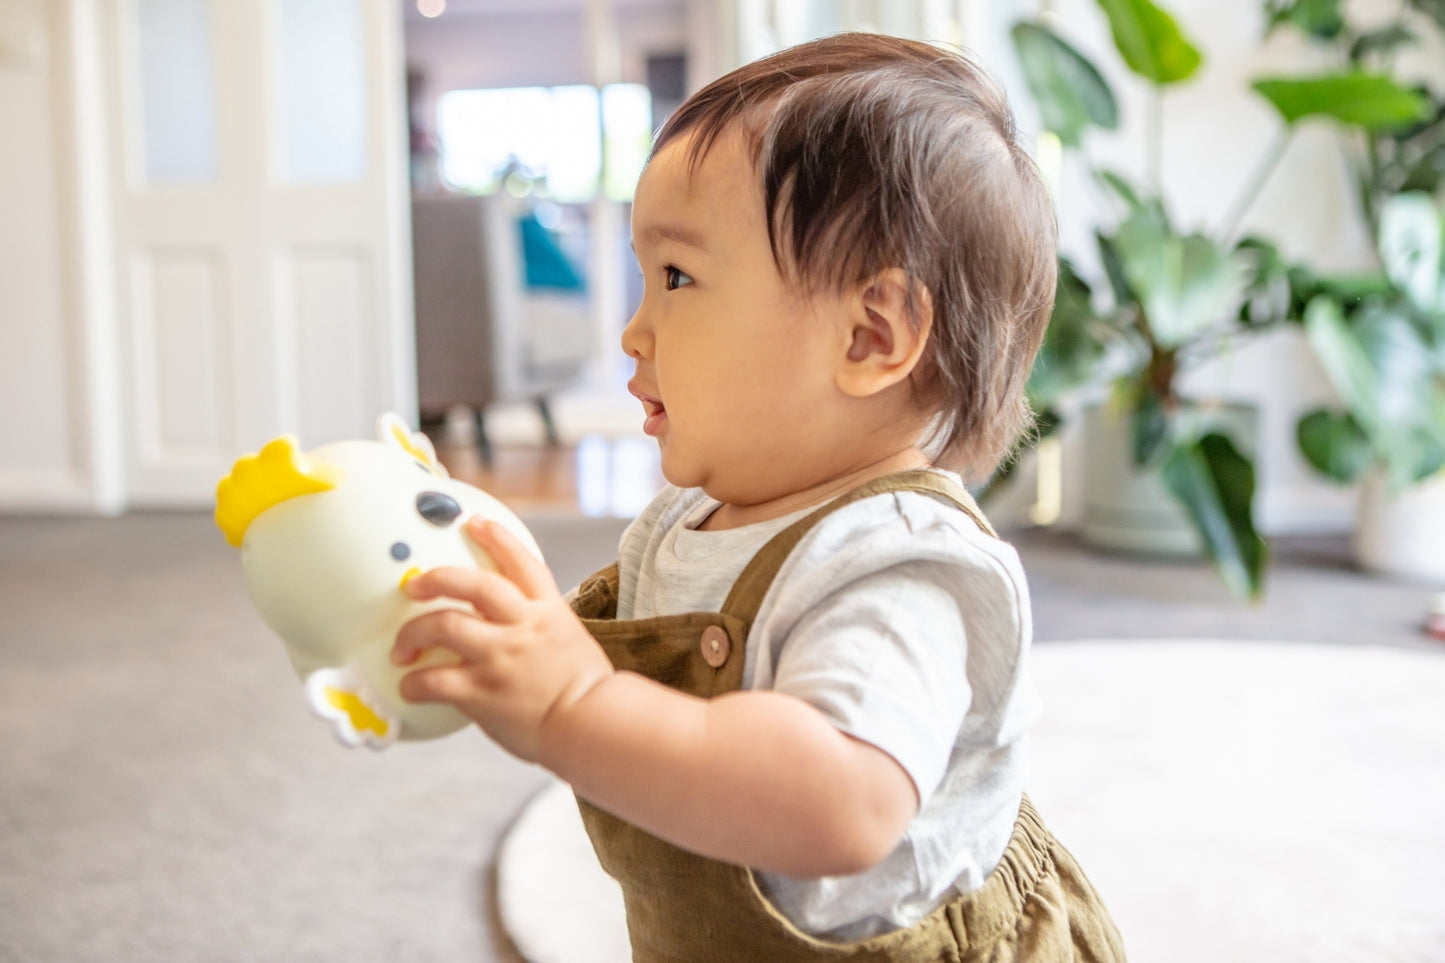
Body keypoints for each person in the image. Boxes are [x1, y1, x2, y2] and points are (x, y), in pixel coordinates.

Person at [391, 32, 1125, 962]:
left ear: (869, 336)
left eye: (678, 277)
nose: (632, 329)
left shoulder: (898, 568)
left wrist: (569, 701)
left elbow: (839, 803)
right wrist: (521, 618)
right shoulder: (690, 518)